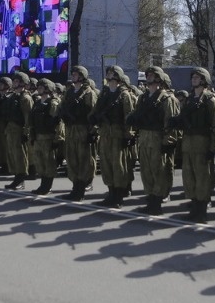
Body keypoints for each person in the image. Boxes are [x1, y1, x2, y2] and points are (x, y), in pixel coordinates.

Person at [128, 66, 180, 216]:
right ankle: (150, 199)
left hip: (158, 138)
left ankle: (157, 201)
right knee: (146, 170)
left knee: (159, 171)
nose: (148, 77)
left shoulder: (167, 99)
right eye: (148, 75)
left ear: (159, 79)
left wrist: (168, 142)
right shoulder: (143, 98)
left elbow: (169, 122)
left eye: (152, 75)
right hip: (144, 137)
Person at [175, 67, 215, 223]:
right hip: (188, 142)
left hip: (202, 142)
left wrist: (214, 147)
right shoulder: (189, 99)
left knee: (203, 177)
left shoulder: (210, 100)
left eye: (197, 77)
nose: (194, 79)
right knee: (189, 176)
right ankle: (194, 206)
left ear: (204, 80)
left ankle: (201, 210)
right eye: (193, 77)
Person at [91, 65, 136, 208]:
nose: (109, 76)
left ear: (118, 76)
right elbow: (96, 111)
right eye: (108, 74)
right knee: (106, 164)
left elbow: (128, 116)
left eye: (111, 74)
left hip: (117, 134)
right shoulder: (104, 93)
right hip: (105, 133)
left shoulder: (124, 95)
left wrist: (127, 136)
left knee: (118, 165)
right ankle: (110, 192)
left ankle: (118, 195)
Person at [59, 66, 99, 201]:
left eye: (76, 74)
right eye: (73, 74)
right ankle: (75, 187)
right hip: (70, 128)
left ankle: (81, 189)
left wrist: (93, 132)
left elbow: (94, 113)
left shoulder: (89, 93)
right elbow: (62, 107)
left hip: (83, 129)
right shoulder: (69, 91)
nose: (73, 76)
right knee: (72, 158)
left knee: (84, 160)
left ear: (82, 76)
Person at [1, 71, 33, 189]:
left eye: (16, 81)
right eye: (13, 81)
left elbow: (27, 117)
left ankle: (20, 179)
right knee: (12, 154)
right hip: (11, 129)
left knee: (20, 155)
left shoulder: (25, 98)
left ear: (23, 83)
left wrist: (26, 132)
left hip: (19, 129)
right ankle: (16, 176)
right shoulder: (13, 96)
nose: (14, 83)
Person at [30, 78, 62, 194]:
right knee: (39, 162)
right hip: (38, 137)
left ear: (48, 89)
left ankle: (47, 186)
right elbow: (32, 121)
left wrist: (57, 139)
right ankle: (42, 185)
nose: (39, 89)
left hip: (48, 138)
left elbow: (58, 123)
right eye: (38, 87)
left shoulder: (53, 103)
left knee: (49, 163)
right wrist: (32, 136)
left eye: (42, 87)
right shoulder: (37, 103)